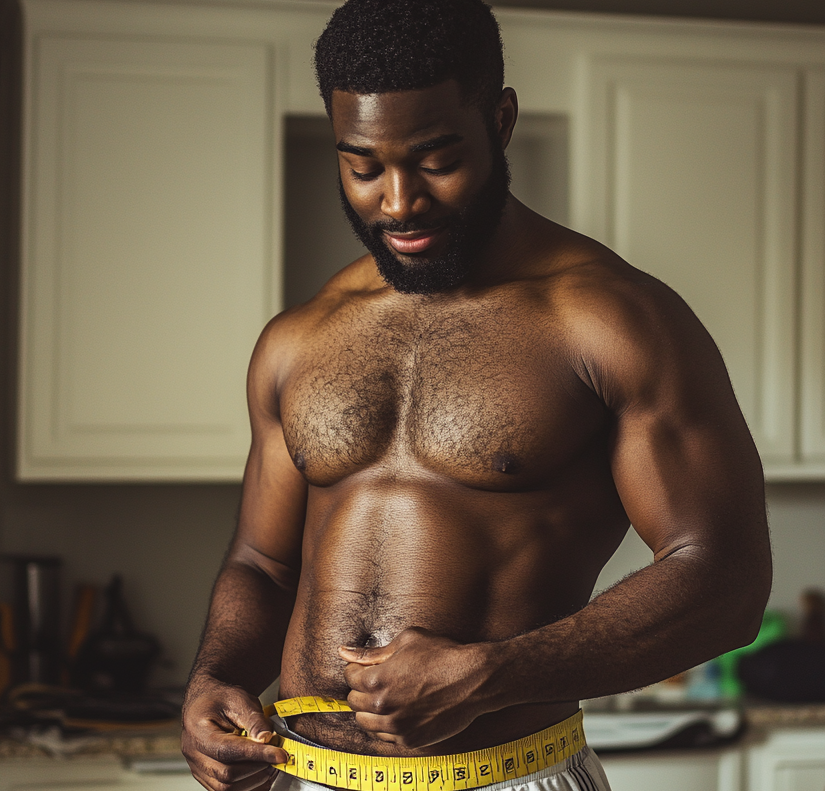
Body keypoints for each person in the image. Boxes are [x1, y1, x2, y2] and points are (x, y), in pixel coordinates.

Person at [180, 1, 772, 790]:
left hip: (503, 777)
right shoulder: (302, 337)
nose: (397, 201)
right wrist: (215, 673)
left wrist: (493, 672)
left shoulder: (612, 322)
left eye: (434, 159)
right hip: (302, 777)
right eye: (361, 166)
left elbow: (726, 578)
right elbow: (261, 561)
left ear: (500, 119)